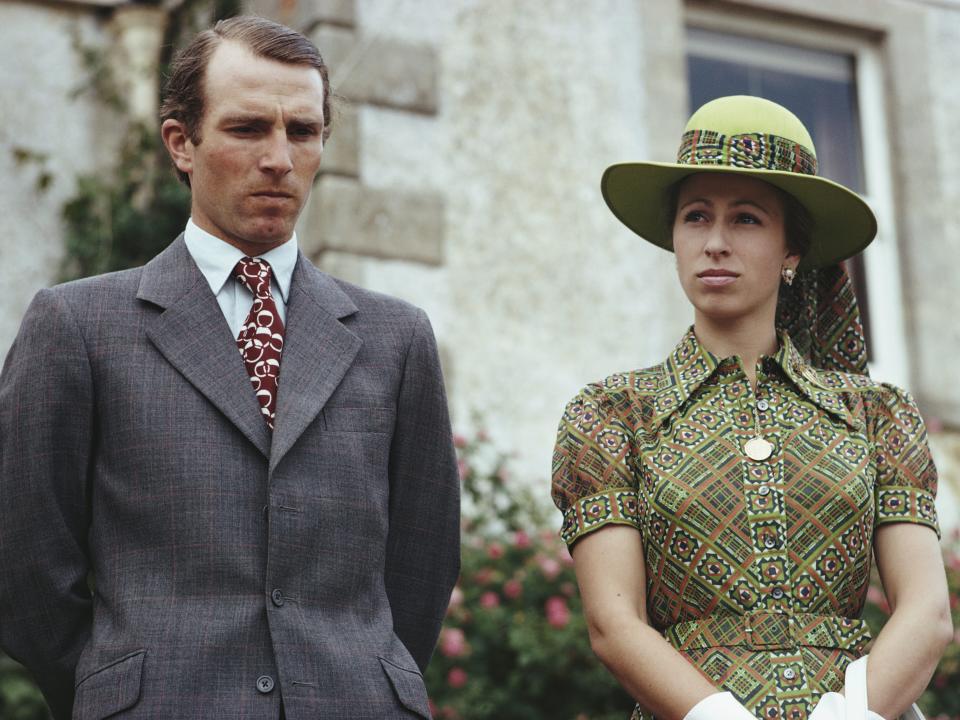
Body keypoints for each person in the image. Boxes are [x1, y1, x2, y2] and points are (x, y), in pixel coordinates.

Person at [0, 16, 459, 720]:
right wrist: (113, 689)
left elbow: (423, 562)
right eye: (248, 129)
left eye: (302, 131)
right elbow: (24, 561)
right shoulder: (78, 326)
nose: (279, 157)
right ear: (181, 143)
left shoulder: (396, 339)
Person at [551, 95, 952, 720]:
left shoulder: (875, 413)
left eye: (745, 219)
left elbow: (926, 615)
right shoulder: (612, 415)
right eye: (695, 217)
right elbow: (613, 624)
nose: (713, 242)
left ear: (792, 250)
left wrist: (847, 716)